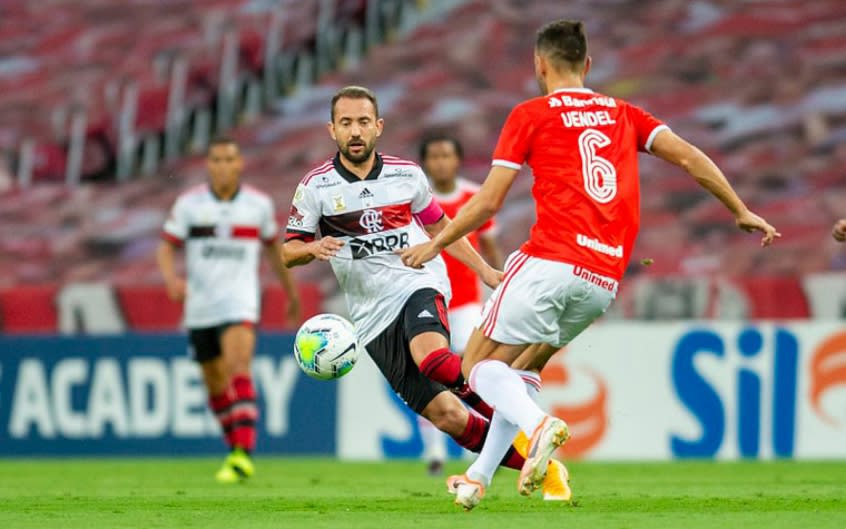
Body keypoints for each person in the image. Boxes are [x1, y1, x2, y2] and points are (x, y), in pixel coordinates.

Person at [400, 19, 780, 509]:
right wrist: (739, 209)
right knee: (522, 370)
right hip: (602, 279)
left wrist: (438, 242)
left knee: (476, 367)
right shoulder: (624, 113)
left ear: (539, 64)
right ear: (589, 64)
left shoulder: (531, 114)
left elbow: (490, 201)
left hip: (550, 259)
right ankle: (477, 477)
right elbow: (688, 156)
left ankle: (540, 426)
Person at [282, 86, 569, 496]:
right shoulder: (316, 188)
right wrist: (310, 247)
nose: (356, 131)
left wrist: (485, 270)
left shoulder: (406, 175)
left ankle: (533, 422)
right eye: (346, 123)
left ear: (379, 126)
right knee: (449, 417)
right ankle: (544, 467)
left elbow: (441, 230)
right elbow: (288, 251)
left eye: (364, 121)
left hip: (418, 282)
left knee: (433, 357)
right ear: (332, 130)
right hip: (371, 317)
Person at [157, 137, 302, 483]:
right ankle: (234, 448)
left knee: (239, 368)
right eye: (217, 159)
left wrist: (291, 292)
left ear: (240, 165)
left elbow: (274, 251)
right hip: (200, 306)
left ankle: (243, 453)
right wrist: (171, 280)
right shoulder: (189, 204)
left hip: (240, 302)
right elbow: (166, 247)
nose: (223, 165)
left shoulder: (258, 205)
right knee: (215, 383)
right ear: (209, 165)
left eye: (229, 159)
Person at [416, 135, 504, 476]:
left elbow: (490, 247)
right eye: (434, 155)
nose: (440, 162)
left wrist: (497, 287)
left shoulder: (474, 197)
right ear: (425, 162)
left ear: (458, 160)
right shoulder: (414, 200)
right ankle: (434, 451)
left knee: (472, 373)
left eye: (446, 155)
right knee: (430, 374)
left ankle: (475, 449)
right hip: (427, 297)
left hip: (467, 301)